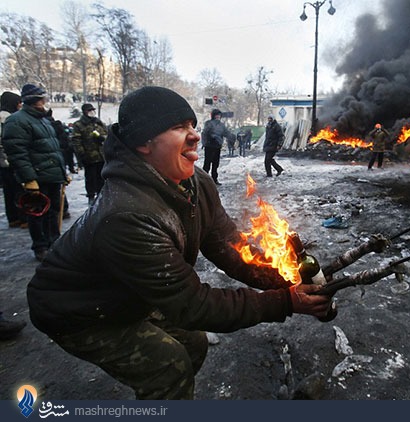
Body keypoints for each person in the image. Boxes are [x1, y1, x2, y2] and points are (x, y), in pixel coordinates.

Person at [26, 86, 332, 400]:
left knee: (193, 343)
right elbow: (192, 304)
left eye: (191, 125)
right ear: (144, 143)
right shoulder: (126, 215)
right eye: (177, 128)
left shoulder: (196, 181)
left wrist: (288, 280)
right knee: (168, 369)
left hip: (130, 291)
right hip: (80, 310)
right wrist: (286, 302)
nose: (195, 135)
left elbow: (227, 245)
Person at [2, 84, 68, 261]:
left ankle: (54, 242)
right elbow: (17, 152)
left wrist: (63, 172)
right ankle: (41, 246)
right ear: (32, 100)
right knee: (38, 212)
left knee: (53, 210)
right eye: (41, 99)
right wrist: (29, 178)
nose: (44, 102)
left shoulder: (43, 120)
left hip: (52, 174)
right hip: (37, 176)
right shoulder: (17, 121)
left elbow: (54, 148)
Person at [0, 91, 27, 228]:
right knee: (19, 190)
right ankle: (23, 218)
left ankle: (13, 218)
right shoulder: (10, 119)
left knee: (8, 192)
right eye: (18, 103)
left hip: (3, 163)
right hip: (11, 161)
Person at [71, 103, 108, 204]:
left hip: (101, 156)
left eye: (92, 110)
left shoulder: (99, 123)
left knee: (101, 178)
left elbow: (106, 135)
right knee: (90, 179)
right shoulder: (79, 125)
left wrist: (101, 138)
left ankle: (101, 198)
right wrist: (82, 154)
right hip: (89, 157)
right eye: (89, 110)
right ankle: (91, 198)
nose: (91, 112)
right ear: (84, 112)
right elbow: (76, 141)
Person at [201, 108, 230, 185]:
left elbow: (226, 133)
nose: (218, 117)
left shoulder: (222, 125)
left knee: (215, 164)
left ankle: (214, 179)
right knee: (207, 164)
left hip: (217, 146)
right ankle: (204, 181)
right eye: (216, 115)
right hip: (209, 146)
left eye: (219, 115)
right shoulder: (208, 123)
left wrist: (231, 136)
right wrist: (205, 142)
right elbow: (204, 133)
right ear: (213, 116)